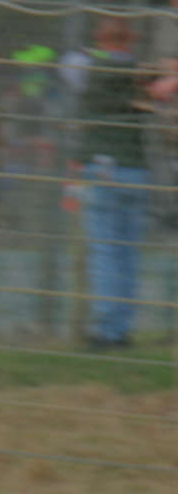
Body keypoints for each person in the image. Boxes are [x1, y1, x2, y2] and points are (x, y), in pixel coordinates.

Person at [79, 22, 152, 350]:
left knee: (105, 249)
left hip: (103, 168)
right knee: (127, 251)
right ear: (132, 39)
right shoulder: (138, 73)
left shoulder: (93, 69)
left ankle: (106, 330)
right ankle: (121, 329)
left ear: (99, 39)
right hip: (135, 170)